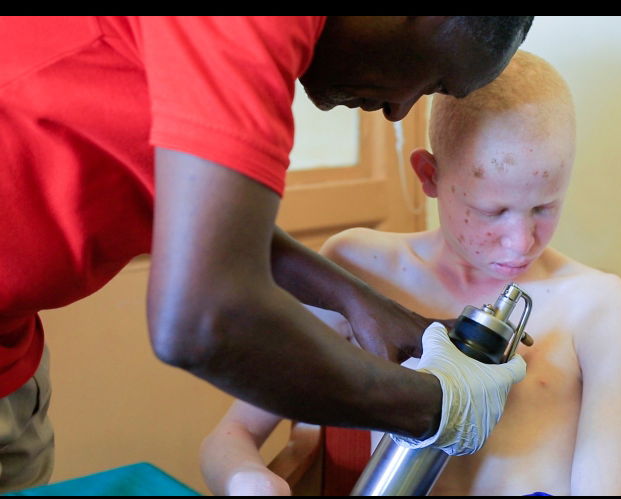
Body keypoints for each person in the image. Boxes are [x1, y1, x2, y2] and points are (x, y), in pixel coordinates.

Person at [0, 16, 535, 492]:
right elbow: (204, 322)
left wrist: (361, 304)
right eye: (435, 81)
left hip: (13, 357)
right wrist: (438, 408)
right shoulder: (248, 26)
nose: (398, 111)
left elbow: (205, 219)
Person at [200, 50, 621, 496]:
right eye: (491, 211)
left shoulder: (600, 306)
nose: (521, 242)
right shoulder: (360, 272)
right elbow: (229, 438)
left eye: (544, 207)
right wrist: (250, 481)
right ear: (429, 175)